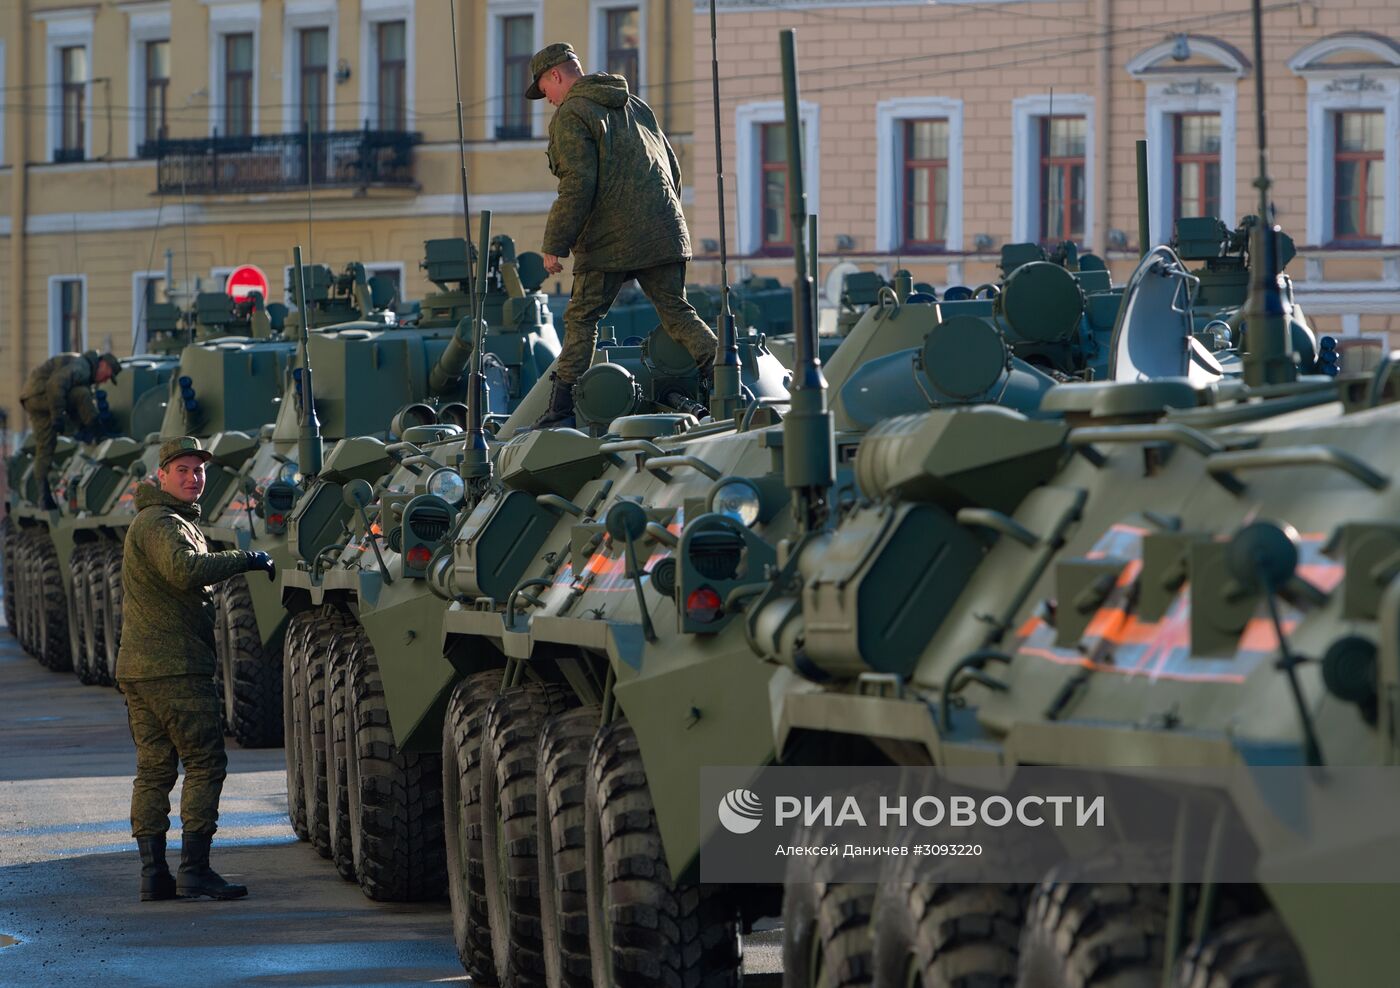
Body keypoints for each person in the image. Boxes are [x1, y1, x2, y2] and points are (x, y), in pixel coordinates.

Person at [116, 435, 276, 901]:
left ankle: (154, 875)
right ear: (161, 476)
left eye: (199, 470)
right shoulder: (161, 522)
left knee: (154, 770)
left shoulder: (161, 520)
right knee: (205, 762)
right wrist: (245, 558)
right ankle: (195, 869)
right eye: (182, 470)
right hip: (174, 668)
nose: (193, 478)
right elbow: (184, 570)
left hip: (144, 668)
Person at [528, 42, 718, 428]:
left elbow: (578, 183)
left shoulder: (572, 113)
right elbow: (672, 169)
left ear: (556, 76)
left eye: (544, 90)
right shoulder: (635, 105)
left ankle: (560, 411)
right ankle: (726, 381)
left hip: (610, 239)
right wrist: (659, 222)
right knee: (678, 313)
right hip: (665, 228)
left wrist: (554, 245)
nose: (546, 100)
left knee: (581, 318)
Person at [19, 350, 121, 509]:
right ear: (102, 364)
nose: (105, 380)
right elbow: (56, 384)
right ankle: (98, 434)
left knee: (45, 447)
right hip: (41, 393)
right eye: (108, 375)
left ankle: (43, 497)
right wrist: (58, 416)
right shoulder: (82, 366)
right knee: (82, 394)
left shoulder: (81, 365)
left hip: (31, 397)